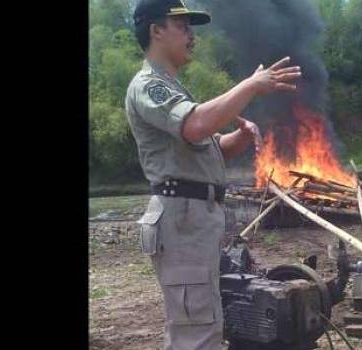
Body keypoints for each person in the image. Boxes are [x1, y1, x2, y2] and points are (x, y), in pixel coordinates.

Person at [125, 1, 302, 349]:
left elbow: (204, 146)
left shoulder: (171, 87)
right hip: (182, 218)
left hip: (192, 219)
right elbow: (196, 125)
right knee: (197, 329)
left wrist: (238, 138)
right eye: (183, 26)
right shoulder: (150, 86)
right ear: (156, 30)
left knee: (202, 321)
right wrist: (251, 85)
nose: (192, 36)